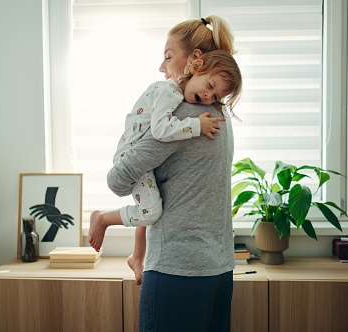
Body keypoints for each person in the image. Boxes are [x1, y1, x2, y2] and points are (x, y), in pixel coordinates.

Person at [107, 58, 239, 331]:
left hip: (177, 268)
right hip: (220, 266)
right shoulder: (218, 116)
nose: (162, 66)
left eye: (169, 55)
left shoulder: (184, 116)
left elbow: (118, 180)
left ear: (194, 59)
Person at [88, 49, 241, 253]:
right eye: (210, 86)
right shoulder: (168, 90)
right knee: (150, 213)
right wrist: (197, 125)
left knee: (151, 211)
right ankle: (102, 218)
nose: (207, 96)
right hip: (129, 153)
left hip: (140, 158)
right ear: (197, 67)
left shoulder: (177, 97)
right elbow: (161, 130)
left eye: (215, 97)